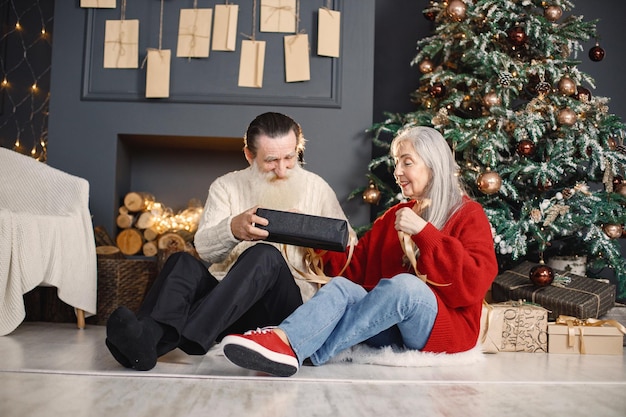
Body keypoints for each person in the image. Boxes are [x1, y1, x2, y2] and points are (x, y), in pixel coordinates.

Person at [221, 126, 498, 377]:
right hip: (388, 328)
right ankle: (285, 340)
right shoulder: (396, 216)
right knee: (342, 287)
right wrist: (311, 233)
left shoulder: (468, 214)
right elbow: (355, 270)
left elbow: (472, 285)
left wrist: (425, 234)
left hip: (444, 332)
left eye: (407, 162)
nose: (397, 172)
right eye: (396, 163)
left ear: (434, 166)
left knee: (406, 287)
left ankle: (305, 349)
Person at [105, 112, 353, 371]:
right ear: (249, 155)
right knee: (181, 262)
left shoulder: (317, 188)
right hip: (226, 307)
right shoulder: (226, 186)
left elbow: (349, 245)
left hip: (281, 311)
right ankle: (146, 343)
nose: (281, 170)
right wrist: (232, 229)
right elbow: (203, 249)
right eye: (271, 161)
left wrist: (310, 230)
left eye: (289, 158)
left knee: (264, 254)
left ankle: (191, 333)